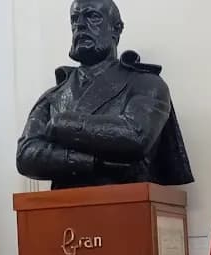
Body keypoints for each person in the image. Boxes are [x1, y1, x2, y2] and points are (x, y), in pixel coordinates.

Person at [16, 0, 193, 190]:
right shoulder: (54, 96)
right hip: (65, 209)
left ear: (116, 29)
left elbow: (136, 136)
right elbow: (26, 155)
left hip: (128, 205)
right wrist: (91, 162)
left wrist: (63, 124)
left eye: (92, 16)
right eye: (75, 19)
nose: (80, 25)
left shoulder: (147, 84)